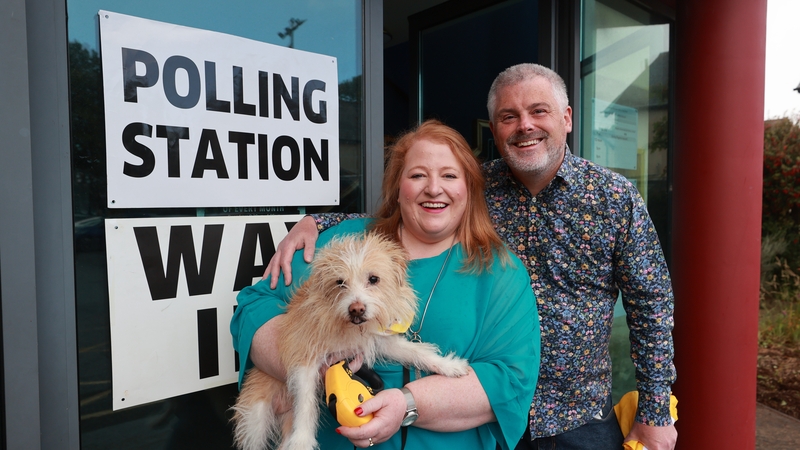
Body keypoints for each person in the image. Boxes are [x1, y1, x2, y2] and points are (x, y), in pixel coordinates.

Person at [264, 63, 678, 450]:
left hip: (574, 416)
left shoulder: (613, 198)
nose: (525, 126)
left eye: (538, 111)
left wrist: (657, 410)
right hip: (480, 416)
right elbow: (404, 210)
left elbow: (651, 305)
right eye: (509, 116)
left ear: (567, 118)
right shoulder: (477, 186)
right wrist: (316, 221)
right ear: (496, 129)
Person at [231, 119, 540, 449]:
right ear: (397, 186)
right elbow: (253, 308)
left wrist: (408, 403)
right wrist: (310, 361)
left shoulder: (501, 271)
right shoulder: (341, 243)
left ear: (469, 188)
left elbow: (510, 379)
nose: (434, 188)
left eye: (449, 176)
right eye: (418, 175)